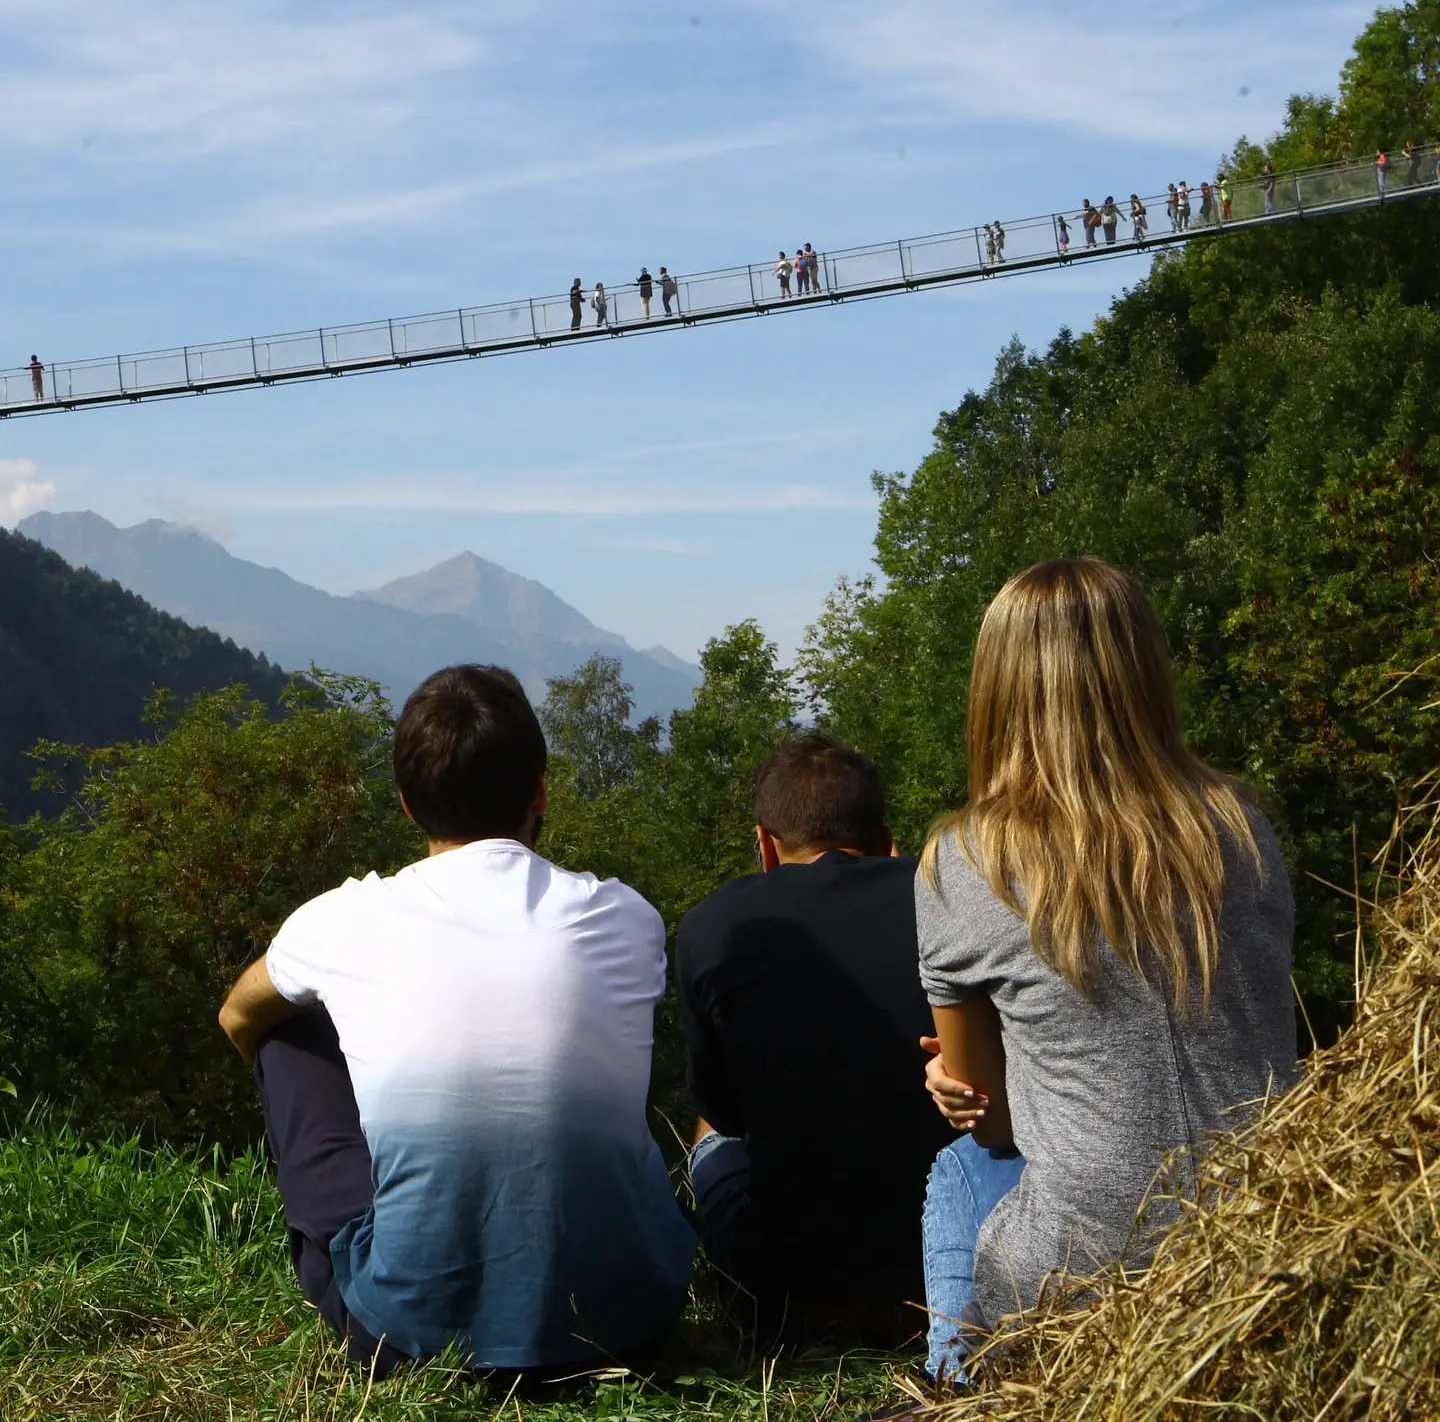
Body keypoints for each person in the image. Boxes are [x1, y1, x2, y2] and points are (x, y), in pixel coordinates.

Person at [217, 666, 696, 1376]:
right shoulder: (625, 916)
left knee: (287, 1030)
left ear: (408, 805)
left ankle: (407, 1246)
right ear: (539, 791)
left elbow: (237, 1014)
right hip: (627, 1327)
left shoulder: (343, 920)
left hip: (406, 1339)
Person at [915, 558, 1295, 1384]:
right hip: (1281, 1251)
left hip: (1086, 1292)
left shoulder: (965, 862)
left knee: (960, 1165)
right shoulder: (1245, 829)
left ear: (998, 691)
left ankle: (957, 1382)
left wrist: (953, 1073)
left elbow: (994, 1124)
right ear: (1146, 675)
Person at [676, 734, 953, 1344]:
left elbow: (725, 1112)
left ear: (765, 846)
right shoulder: (950, 897)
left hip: (785, 1271)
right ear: (885, 842)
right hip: (943, 1250)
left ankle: (764, 1312)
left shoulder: (711, 924)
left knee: (709, 1133)